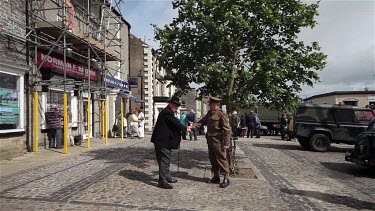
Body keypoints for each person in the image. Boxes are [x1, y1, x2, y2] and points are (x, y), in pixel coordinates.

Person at [151, 97, 191, 189]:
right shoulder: (167, 112)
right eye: (176, 106)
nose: (176, 108)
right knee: (164, 160)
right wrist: (185, 128)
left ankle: (167, 176)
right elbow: (175, 123)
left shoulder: (168, 112)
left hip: (165, 141)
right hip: (162, 141)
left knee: (166, 160)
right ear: (171, 104)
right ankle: (162, 181)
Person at [191, 96, 231, 188]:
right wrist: (193, 126)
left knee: (221, 159)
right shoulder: (209, 113)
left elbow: (226, 130)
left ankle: (226, 178)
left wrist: (226, 143)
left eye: (210, 103)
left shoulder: (221, 114)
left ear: (216, 104)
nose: (209, 105)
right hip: (210, 140)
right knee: (212, 158)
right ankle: (216, 176)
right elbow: (202, 122)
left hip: (218, 141)